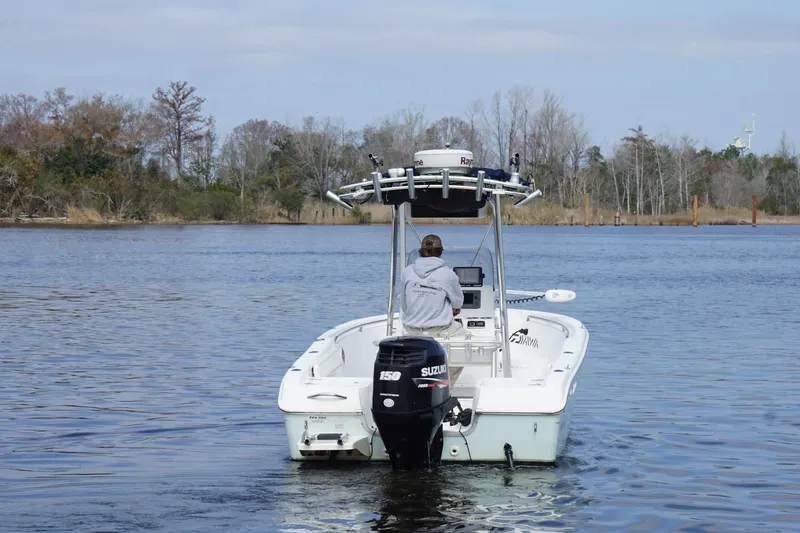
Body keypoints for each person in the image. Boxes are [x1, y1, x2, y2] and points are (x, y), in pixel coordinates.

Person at [400, 234, 466, 338]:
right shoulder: (448, 274)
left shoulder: (407, 271)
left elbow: (404, 306)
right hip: (439, 330)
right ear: (440, 251)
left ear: (421, 251)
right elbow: (458, 303)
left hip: (411, 330)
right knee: (466, 334)